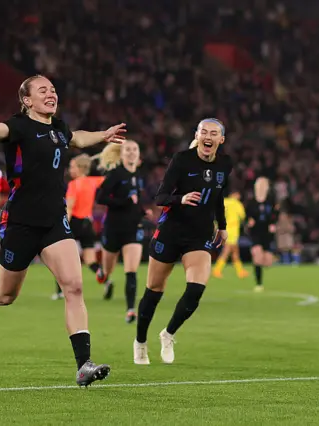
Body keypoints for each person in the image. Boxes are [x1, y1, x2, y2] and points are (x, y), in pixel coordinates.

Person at [0, 75, 126, 386]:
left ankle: (83, 365)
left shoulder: (59, 129)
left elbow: (77, 138)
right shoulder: (19, 126)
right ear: (27, 101)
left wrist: (104, 135)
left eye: (53, 89)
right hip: (20, 222)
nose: (51, 94)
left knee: (74, 287)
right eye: (42, 91)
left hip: (53, 221)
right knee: (5, 294)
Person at [133, 118, 232, 365]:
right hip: (171, 232)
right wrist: (181, 198)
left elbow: (218, 196)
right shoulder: (181, 160)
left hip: (199, 236)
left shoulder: (225, 164)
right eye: (204, 132)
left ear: (221, 140)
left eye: (214, 133)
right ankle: (140, 342)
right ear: (197, 136)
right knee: (154, 291)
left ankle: (168, 334)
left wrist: (223, 225)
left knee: (196, 290)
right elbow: (160, 197)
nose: (208, 137)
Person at [94, 141, 151, 323]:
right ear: (122, 154)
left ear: (139, 154)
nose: (132, 152)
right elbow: (101, 198)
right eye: (128, 150)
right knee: (108, 269)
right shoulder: (115, 174)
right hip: (113, 228)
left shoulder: (139, 175)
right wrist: (124, 202)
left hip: (133, 228)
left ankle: (130, 310)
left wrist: (143, 211)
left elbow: (137, 200)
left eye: (135, 149)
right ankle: (104, 275)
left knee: (131, 270)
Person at [51, 154, 104, 300]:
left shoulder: (74, 185)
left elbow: (69, 208)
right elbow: (108, 179)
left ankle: (60, 291)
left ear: (80, 168)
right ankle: (103, 277)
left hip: (74, 222)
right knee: (90, 259)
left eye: (73, 166)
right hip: (88, 223)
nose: (70, 169)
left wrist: (62, 227)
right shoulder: (93, 182)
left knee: (61, 257)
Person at [246, 177, 279, 292]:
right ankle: (259, 284)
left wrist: (273, 223)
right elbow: (246, 215)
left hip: (267, 233)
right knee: (257, 256)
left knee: (268, 262)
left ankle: (273, 258)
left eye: (263, 185)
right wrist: (249, 221)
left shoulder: (271, 200)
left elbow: (276, 213)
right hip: (256, 232)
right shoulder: (251, 202)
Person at [212, 190, 249, 279]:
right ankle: (217, 270)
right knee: (228, 251)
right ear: (235, 194)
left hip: (224, 229)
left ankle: (240, 271)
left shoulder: (224, 201)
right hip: (233, 230)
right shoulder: (237, 204)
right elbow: (243, 216)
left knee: (234, 251)